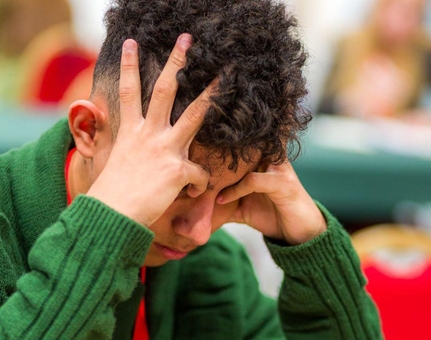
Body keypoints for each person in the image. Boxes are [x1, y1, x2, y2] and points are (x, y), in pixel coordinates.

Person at [0, 0, 381, 339]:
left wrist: (312, 253)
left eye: (227, 194)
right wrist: (107, 225)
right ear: (88, 129)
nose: (199, 233)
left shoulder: (210, 266)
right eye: (179, 185)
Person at [317, 0, 431, 127]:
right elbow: (319, 111)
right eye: (393, 8)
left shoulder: (428, 53)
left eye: (411, 14)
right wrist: (350, 104)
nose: (397, 21)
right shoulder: (348, 45)